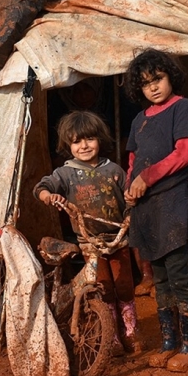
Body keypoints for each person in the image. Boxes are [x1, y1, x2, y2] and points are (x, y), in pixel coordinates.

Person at [123, 49, 188, 372]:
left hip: (171, 202)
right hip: (146, 208)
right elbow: (132, 160)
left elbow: (184, 154)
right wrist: (131, 186)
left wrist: (148, 177)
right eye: (145, 84)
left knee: (179, 274)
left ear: (171, 76)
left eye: (158, 79)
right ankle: (170, 342)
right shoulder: (139, 120)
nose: (153, 87)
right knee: (158, 277)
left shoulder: (183, 108)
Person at [34, 110, 142, 354]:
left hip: (118, 239)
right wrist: (48, 196)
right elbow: (42, 186)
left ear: (99, 139)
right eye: (76, 141)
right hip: (89, 242)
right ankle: (110, 336)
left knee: (124, 285)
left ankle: (131, 331)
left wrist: (131, 201)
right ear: (67, 145)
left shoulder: (113, 169)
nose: (84, 146)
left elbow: (129, 195)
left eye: (89, 139)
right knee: (102, 287)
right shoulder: (65, 173)